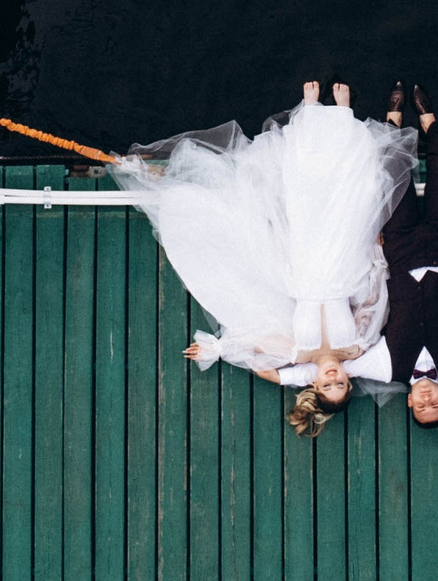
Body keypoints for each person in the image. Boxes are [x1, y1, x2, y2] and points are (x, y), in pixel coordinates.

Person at [114, 79, 417, 432]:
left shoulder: (294, 354)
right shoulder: (359, 347)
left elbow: (256, 351)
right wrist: (376, 255)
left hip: (300, 266)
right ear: (349, 381)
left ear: (314, 384)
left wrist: (217, 350)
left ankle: (311, 112)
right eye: (340, 384)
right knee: (344, 194)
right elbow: (375, 301)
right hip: (342, 263)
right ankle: (340, 114)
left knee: (302, 194)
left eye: (325, 385)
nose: (332, 379)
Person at [272, 84, 438, 429]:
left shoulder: (384, 368)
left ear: (409, 402)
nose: (427, 400)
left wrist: (289, 381)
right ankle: (428, 119)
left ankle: (392, 119)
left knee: (392, 174)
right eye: (434, 404)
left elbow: (329, 370)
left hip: (400, 253)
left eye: (421, 407)